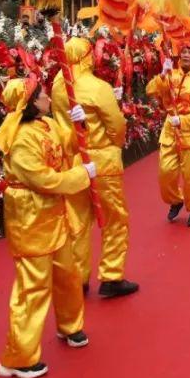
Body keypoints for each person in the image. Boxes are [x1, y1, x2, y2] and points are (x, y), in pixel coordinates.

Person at [0, 76, 94, 378]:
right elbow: (43, 180)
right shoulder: (21, 138)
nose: (48, 100)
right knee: (33, 287)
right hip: (31, 217)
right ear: (29, 103)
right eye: (43, 97)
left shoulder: (46, 124)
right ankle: (18, 357)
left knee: (68, 273)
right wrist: (82, 175)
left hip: (55, 214)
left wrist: (81, 124)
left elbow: (69, 140)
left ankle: (70, 325)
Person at [51, 38, 138, 299]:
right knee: (115, 219)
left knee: (77, 221)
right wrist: (114, 144)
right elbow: (116, 124)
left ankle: (78, 278)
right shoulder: (97, 87)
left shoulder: (58, 86)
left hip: (73, 162)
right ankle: (112, 275)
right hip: (102, 161)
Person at [146, 44, 190, 227]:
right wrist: (161, 75)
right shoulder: (170, 73)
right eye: (184, 52)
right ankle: (176, 200)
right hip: (170, 133)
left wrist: (183, 121)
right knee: (165, 173)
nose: (186, 55)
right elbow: (151, 91)